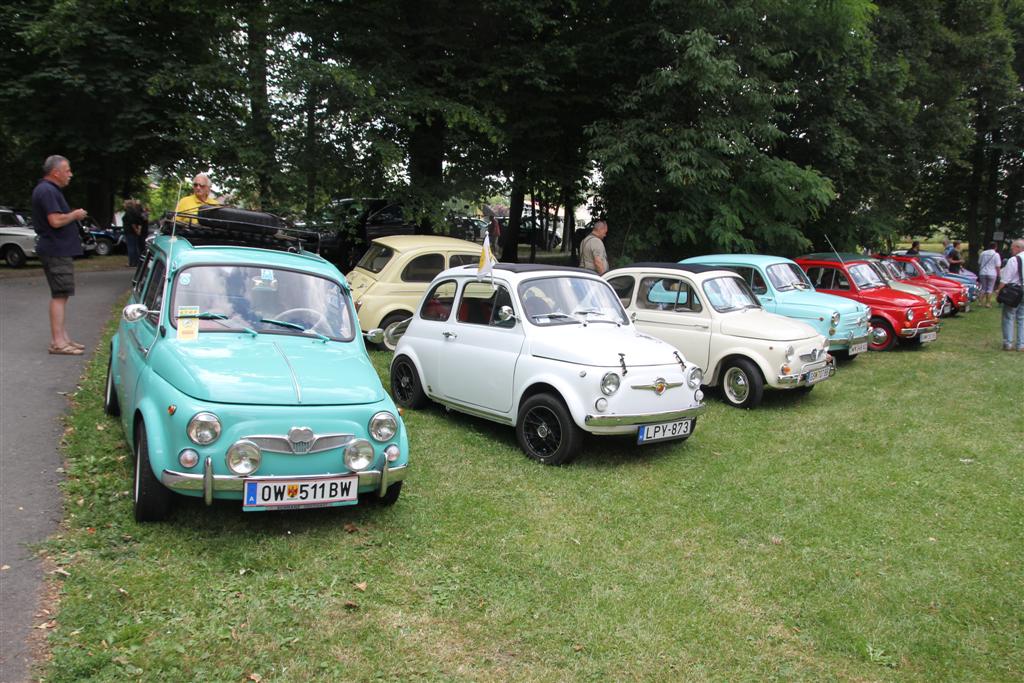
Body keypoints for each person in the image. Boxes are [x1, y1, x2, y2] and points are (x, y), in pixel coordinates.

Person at [31, 155, 86, 356]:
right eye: (67, 170)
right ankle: (58, 342)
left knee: (62, 294)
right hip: (55, 249)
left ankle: (63, 338)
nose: (70, 174)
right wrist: (75, 215)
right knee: (59, 295)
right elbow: (54, 221)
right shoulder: (47, 191)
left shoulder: (48, 190)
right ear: (56, 172)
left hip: (58, 249)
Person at [995, 238, 1024, 351]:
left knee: (1008, 316)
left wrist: (999, 290)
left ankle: (1008, 343)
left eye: (1012, 248)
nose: (1011, 250)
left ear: (1018, 248)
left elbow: (1005, 279)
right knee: (1022, 318)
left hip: (1015, 291)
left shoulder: (1014, 260)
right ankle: (1021, 344)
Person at [977, 241, 1002, 308]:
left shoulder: (983, 253)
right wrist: (999, 275)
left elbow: (979, 263)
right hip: (992, 273)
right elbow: (998, 266)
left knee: (983, 288)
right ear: (995, 247)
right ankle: (988, 303)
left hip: (983, 272)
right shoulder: (996, 255)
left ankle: (980, 302)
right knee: (990, 288)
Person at [122, 199, 146, 267]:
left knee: (131, 247)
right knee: (135, 247)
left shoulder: (129, 212)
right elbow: (139, 221)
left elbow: (132, 222)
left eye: (124, 203)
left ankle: (132, 262)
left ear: (127, 205)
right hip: (133, 232)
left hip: (130, 231)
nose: (123, 205)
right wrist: (138, 230)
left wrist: (136, 229)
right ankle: (136, 262)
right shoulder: (135, 211)